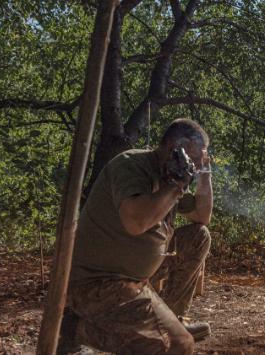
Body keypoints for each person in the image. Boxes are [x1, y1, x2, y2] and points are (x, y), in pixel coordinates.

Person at [59, 118, 213, 355]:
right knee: (178, 346)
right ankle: (75, 328)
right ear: (173, 145)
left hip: (137, 277)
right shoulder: (132, 165)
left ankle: (172, 318)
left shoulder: (171, 177)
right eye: (193, 156)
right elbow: (136, 222)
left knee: (198, 236)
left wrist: (204, 175)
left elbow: (202, 216)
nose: (195, 164)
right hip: (99, 281)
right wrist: (176, 186)